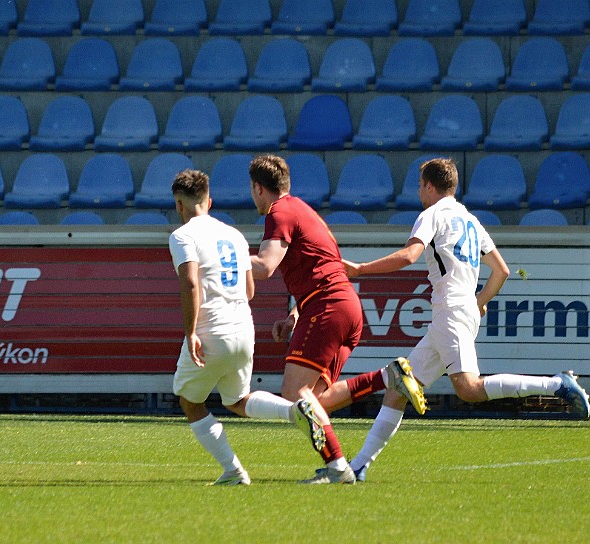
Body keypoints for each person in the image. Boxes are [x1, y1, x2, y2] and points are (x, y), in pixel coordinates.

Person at [343, 157, 590, 481]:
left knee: (468, 388)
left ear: (430, 186)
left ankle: (557, 384)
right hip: (457, 311)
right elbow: (501, 271)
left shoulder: (431, 215)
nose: (419, 192)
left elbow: (409, 256)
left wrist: (360, 270)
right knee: (398, 389)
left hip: (451, 311)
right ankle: (358, 466)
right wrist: (478, 303)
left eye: (420, 186)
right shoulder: (470, 220)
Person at [247, 154, 427, 485]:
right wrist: (294, 314)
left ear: (258, 188)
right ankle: (387, 377)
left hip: (327, 307)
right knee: (315, 403)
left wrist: (224, 258)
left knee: (293, 395)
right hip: (345, 305)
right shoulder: (304, 211)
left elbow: (266, 266)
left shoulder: (279, 212)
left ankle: (338, 468)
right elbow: (321, 266)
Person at [168, 168, 327, 486]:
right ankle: (294, 411)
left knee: (189, 400)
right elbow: (250, 290)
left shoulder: (182, 236)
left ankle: (234, 470)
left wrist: (190, 332)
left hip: (211, 331)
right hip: (243, 329)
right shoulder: (234, 236)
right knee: (237, 400)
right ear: (209, 201)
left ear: (179, 206)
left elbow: (189, 283)